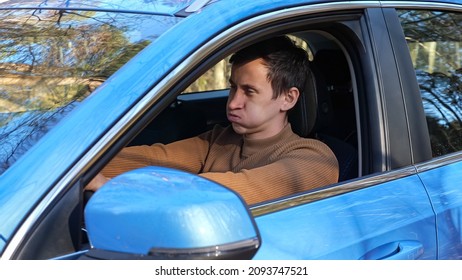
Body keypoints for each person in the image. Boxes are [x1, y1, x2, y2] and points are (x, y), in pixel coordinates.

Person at [86, 35, 339, 205]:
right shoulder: (221, 140)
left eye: (249, 91)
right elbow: (155, 157)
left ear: (288, 99)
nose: (233, 102)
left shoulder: (314, 159)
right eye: (233, 88)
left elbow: (233, 189)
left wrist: (120, 189)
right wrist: (78, 167)